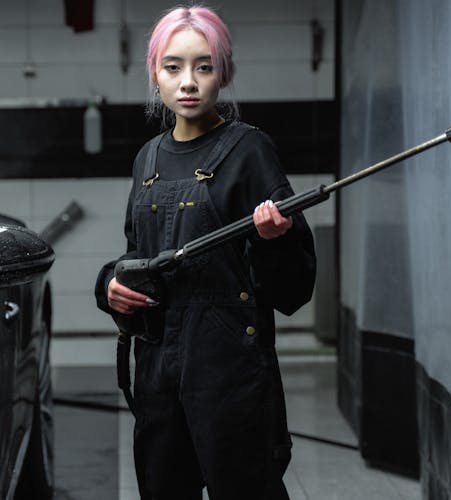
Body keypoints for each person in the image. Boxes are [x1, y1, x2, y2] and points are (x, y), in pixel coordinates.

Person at [95, 5, 317, 499]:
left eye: (204, 66)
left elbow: (296, 289)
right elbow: (136, 255)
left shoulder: (249, 151)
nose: (188, 82)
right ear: (155, 73)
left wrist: (274, 241)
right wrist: (108, 284)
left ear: (225, 72)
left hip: (229, 372)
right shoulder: (147, 159)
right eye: (173, 67)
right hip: (157, 373)